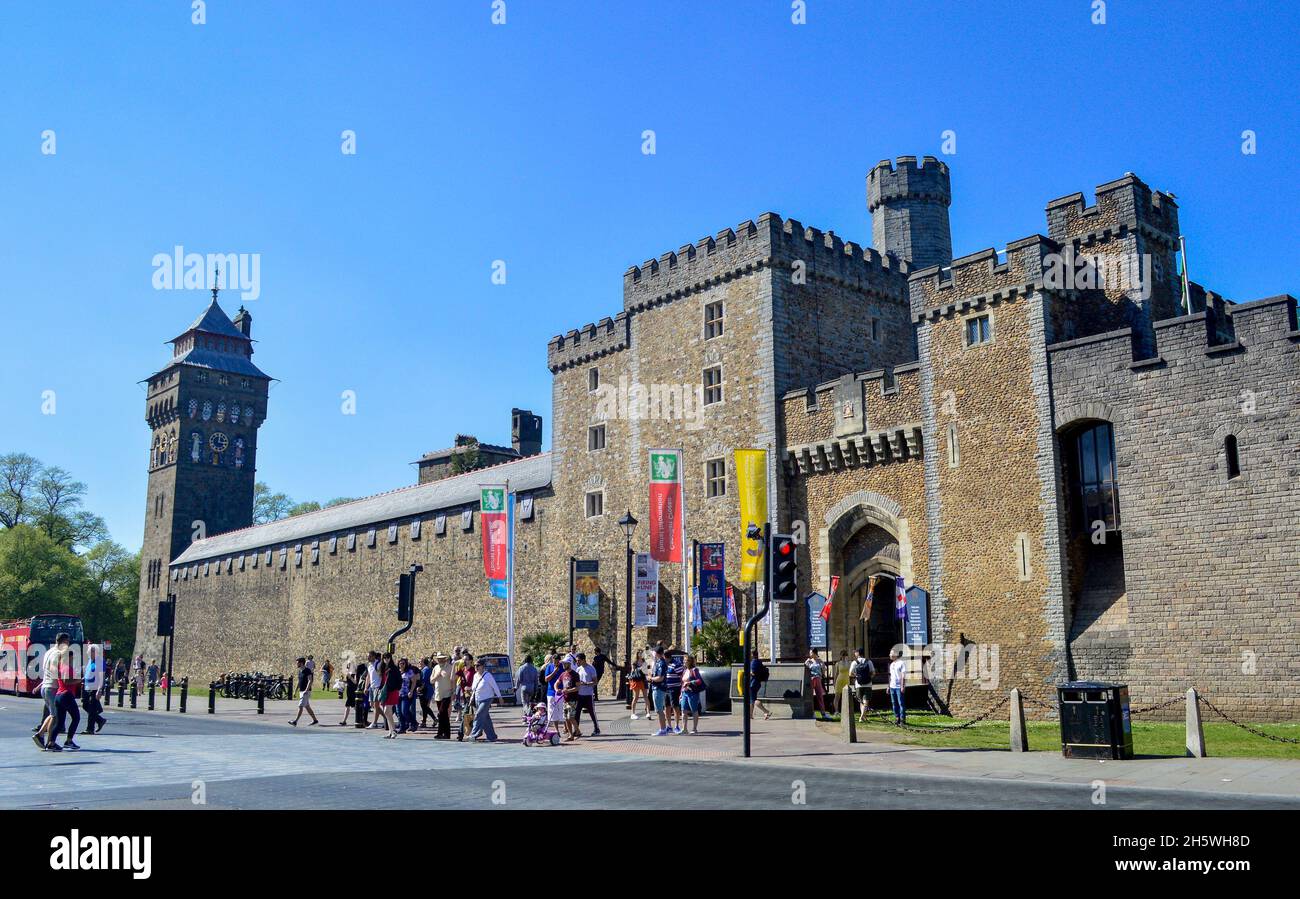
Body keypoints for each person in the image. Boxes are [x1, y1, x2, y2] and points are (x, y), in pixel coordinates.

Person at [36, 643, 81, 752]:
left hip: (59, 695)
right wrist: (79, 680)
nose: (73, 658)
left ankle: (51, 742)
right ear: (68, 657)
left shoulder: (59, 666)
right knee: (76, 717)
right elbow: (66, 681)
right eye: (72, 656)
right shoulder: (66, 667)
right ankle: (69, 741)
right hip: (66, 694)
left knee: (60, 721)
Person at [468, 658, 503, 742]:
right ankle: (492, 736)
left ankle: (474, 734)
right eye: (475, 665)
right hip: (477, 699)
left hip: (487, 699)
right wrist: (470, 697)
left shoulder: (488, 675)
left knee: (478, 715)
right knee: (486, 718)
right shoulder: (475, 675)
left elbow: (495, 686)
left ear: (483, 666)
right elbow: (474, 688)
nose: (476, 667)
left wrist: (500, 697)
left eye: (478, 665)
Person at [574, 652, 600, 736]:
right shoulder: (578, 669)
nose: (577, 662)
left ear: (583, 660)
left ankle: (597, 729)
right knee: (577, 713)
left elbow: (595, 682)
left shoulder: (591, 668)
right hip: (579, 694)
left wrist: (586, 683)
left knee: (592, 712)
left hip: (588, 694)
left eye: (578, 661)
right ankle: (577, 730)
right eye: (576, 661)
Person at [82, 646, 107, 735]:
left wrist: (99, 690)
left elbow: (102, 677)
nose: (88, 654)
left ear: (95, 652)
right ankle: (100, 720)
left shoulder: (100, 662)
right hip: (87, 686)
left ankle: (90, 729)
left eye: (89, 652)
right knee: (85, 705)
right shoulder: (90, 660)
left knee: (92, 708)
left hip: (95, 687)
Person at [555, 658, 581, 740]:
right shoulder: (563, 674)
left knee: (570, 717)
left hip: (573, 699)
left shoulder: (575, 674)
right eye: (563, 663)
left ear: (569, 664)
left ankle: (577, 731)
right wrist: (557, 690)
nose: (563, 665)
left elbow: (578, 688)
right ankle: (571, 735)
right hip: (565, 699)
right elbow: (556, 683)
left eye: (565, 663)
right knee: (566, 718)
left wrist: (568, 690)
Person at [679, 653, 705, 734]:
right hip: (684, 693)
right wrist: (681, 693)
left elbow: (699, 680)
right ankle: (684, 728)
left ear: (690, 662)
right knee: (683, 710)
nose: (684, 662)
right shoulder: (685, 670)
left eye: (686, 661)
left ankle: (694, 728)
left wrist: (690, 682)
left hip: (692, 693)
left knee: (694, 710)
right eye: (684, 661)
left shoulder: (694, 670)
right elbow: (682, 683)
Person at [848, 648, 876, 723]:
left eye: (855, 652)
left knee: (861, 701)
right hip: (868, 684)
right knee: (866, 701)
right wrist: (869, 678)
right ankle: (863, 716)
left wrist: (857, 676)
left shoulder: (854, 662)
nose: (854, 654)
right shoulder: (869, 661)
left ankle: (862, 716)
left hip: (858, 685)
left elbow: (850, 674)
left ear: (858, 653)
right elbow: (873, 673)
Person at [648, 646, 671, 736]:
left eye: (654, 652)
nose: (653, 654)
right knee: (659, 709)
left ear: (657, 653)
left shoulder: (661, 663)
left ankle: (663, 729)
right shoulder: (658, 662)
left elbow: (660, 678)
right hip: (657, 688)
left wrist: (651, 678)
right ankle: (663, 729)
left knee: (659, 710)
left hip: (659, 688)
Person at [289, 657, 319, 726]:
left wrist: (306, 690)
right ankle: (315, 720)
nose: (296, 664)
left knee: (300, 706)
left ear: (301, 663)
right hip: (301, 691)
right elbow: (299, 682)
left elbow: (310, 680)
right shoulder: (300, 671)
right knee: (307, 707)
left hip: (306, 691)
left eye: (297, 663)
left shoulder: (307, 670)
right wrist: (295, 691)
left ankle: (295, 721)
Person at [431, 653, 454, 739]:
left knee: (442, 712)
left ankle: (445, 733)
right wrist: (437, 676)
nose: (441, 660)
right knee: (443, 715)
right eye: (439, 659)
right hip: (438, 694)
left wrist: (453, 692)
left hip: (447, 694)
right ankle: (442, 733)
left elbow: (453, 681)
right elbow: (431, 681)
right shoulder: (435, 668)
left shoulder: (450, 667)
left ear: (445, 659)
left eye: (442, 658)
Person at [542, 653, 565, 735]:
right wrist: (554, 672)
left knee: (562, 710)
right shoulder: (549, 667)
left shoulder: (563, 667)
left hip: (561, 691)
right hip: (551, 692)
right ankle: (556, 729)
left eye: (557, 661)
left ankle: (565, 728)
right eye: (554, 661)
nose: (556, 663)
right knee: (553, 711)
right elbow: (546, 679)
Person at [366, 651, 388, 731]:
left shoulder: (378, 664)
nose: (367, 658)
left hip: (377, 686)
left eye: (369, 656)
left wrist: (381, 687)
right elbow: (368, 677)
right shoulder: (369, 666)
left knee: (376, 706)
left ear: (373, 656)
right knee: (373, 706)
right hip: (372, 687)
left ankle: (374, 723)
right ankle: (386, 717)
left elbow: (383, 675)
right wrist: (366, 687)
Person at [806, 649, 831, 721]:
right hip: (811, 679)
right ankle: (812, 712)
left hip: (818, 679)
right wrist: (806, 662)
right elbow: (805, 668)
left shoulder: (819, 661)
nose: (810, 654)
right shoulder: (809, 661)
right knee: (810, 697)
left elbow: (824, 670)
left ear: (814, 653)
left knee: (819, 696)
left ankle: (823, 713)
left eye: (811, 652)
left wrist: (822, 663)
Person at [381, 652, 402, 739]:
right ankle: (391, 731)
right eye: (385, 658)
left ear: (390, 658)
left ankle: (393, 731)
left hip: (392, 691)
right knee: (387, 712)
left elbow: (399, 680)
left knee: (387, 710)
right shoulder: (384, 668)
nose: (386, 659)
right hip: (386, 691)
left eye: (388, 658)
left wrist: (396, 688)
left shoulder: (394, 668)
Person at [395, 658, 418, 734]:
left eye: (403, 663)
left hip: (405, 694)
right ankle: (402, 727)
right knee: (398, 712)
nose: (401, 665)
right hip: (397, 694)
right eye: (400, 663)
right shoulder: (397, 672)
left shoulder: (409, 672)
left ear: (406, 664)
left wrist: (411, 691)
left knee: (404, 711)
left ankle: (413, 723)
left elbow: (414, 681)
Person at [747, 650, 771, 720]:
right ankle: (750, 715)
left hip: (753, 683)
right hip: (757, 683)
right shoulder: (759, 662)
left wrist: (748, 672)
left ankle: (766, 711)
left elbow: (753, 673)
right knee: (752, 700)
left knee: (754, 700)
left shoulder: (753, 663)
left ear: (752, 655)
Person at [664, 652, 684, 734]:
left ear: (667, 657)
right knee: (666, 707)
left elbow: (681, 676)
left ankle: (676, 726)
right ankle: (669, 726)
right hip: (666, 689)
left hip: (674, 689)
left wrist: (681, 688)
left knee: (675, 707)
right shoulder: (665, 665)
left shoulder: (676, 664)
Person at [626, 650, 649, 719]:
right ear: (637, 654)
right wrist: (639, 669)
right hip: (637, 680)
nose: (641, 654)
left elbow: (647, 671)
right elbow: (633, 672)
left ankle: (648, 713)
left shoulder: (644, 662)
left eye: (642, 653)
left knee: (646, 697)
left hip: (643, 680)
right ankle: (633, 713)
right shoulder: (635, 663)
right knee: (636, 697)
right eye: (640, 653)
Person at [888, 649, 907, 725]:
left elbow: (903, 675)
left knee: (901, 703)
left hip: (899, 687)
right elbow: (890, 676)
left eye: (891, 653)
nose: (890, 655)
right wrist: (888, 686)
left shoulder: (901, 663)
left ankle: (902, 719)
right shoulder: (891, 664)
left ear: (895, 654)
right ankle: (897, 718)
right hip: (892, 686)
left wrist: (902, 686)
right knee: (894, 703)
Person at [418, 657, 436, 729]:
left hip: (425, 690)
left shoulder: (425, 670)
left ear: (424, 662)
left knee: (424, 706)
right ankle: (424, 722)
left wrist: (419, 688)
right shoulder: (425, 669)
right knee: (424, 707)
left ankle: (434, 719)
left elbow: (423, 681)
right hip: (427, 689)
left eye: (420, 662)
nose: (419, 663)